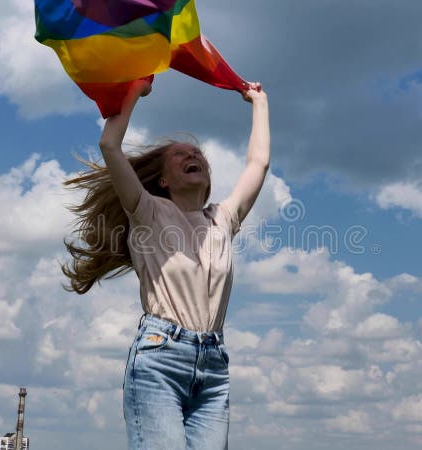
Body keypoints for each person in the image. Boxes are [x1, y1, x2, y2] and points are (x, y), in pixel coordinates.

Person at [62, 78, 269, 449]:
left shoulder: (223, 219)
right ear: (162, 177)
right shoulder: (148, 211)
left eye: (199, 155)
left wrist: (258, 101)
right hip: (160, 358)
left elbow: (259, 162)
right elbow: (110, 144)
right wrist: (133, 91)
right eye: (181, 155)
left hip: (214, 366)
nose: (194, 157)